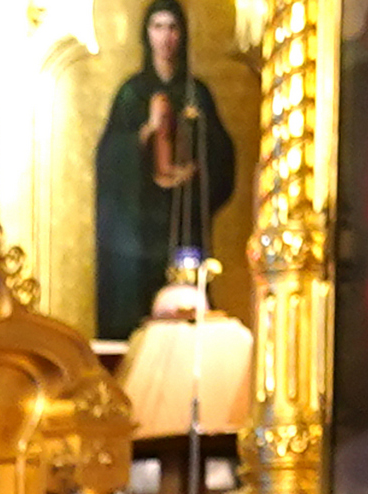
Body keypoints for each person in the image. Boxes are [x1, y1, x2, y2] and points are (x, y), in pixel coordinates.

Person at [94, 3, 238, 343]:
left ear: (183, 34)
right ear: (146, 34)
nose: (165, 37)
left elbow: (221, 155)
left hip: (184, 220)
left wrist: (196, 169)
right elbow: (109, 160)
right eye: (157, 27)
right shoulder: (131, 93)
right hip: (138, 228)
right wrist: (147, 130)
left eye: (172, 27)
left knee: (185, 311)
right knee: (136, 308)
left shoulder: (196, 93)